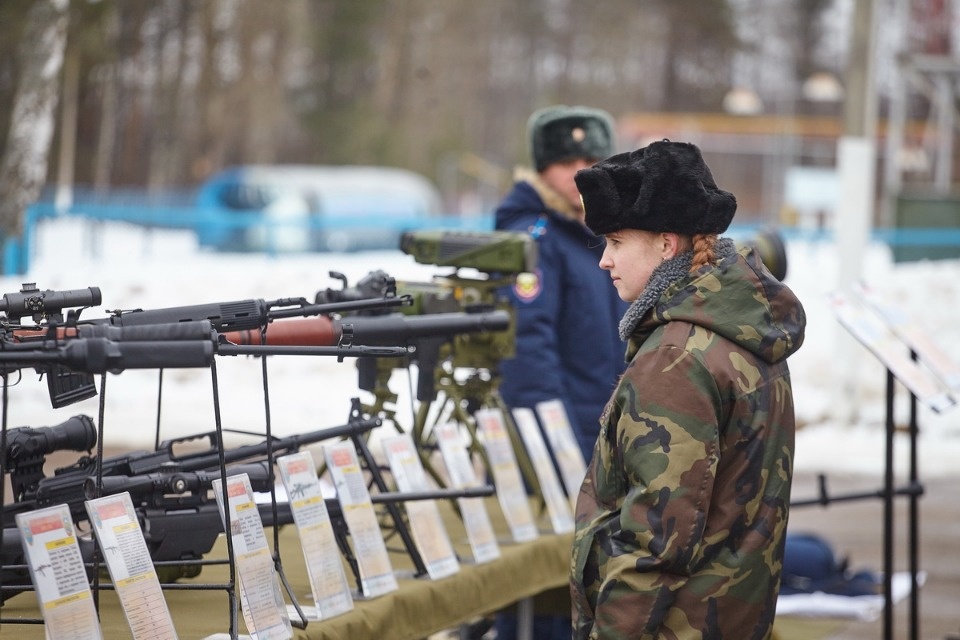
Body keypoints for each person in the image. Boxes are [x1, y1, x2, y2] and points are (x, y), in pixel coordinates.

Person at [569, 140, 807, 639]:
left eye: (615, 242)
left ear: (665, 244)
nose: (603, 262)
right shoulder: (739, 329)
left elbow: (653, 544)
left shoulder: (676, 360)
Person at [492, 106, 628, 640]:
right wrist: (557, 452)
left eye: (593, 159)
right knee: (546, 585)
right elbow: (528, 353)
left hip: (599, 438)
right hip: (561, 445)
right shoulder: (536, 238)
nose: (581, 172)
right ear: (542, 167)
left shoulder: (594, 234)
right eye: (567, 160)